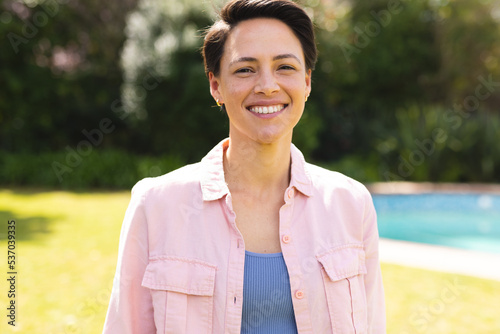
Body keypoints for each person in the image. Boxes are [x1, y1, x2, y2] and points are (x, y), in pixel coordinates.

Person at [103, 0, 386, 333]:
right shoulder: (156, 205)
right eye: (245, 69)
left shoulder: (350, 204)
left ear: (307, 82)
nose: (267, 85)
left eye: (285, 67)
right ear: (215, 85)